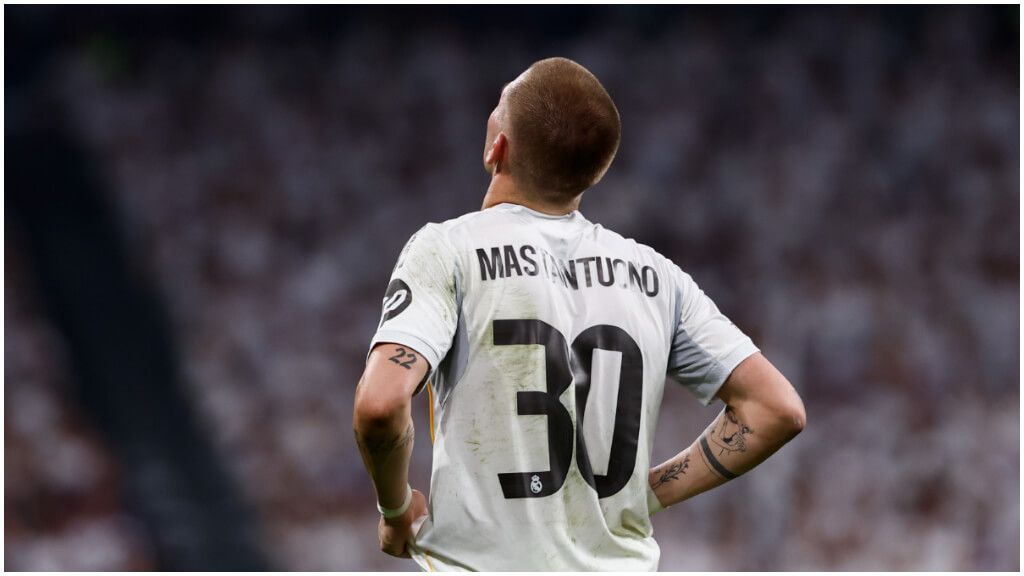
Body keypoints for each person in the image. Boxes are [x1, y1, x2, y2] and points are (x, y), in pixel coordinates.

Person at [353, 57, 805, 571]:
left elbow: (380, 405)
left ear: (495, 147)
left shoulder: (447, 250)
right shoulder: (658, 276)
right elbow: (775, 410)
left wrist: (394, 510)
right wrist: (648, 492)